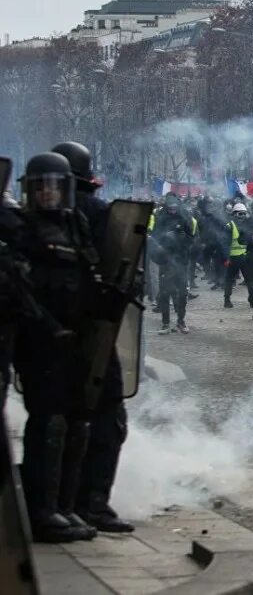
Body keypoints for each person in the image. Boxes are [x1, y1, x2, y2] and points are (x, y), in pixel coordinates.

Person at [13, 152, 99, 542]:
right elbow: (18, 288)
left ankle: (66, 505)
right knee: (47, 423)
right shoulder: (21, 228)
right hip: (41, 341)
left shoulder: (75, 224)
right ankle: (41, 510)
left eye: (55, 185)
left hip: (76, 339)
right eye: (41, 186)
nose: (48, 193)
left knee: (76, 421)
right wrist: (47, 328)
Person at [50, 141, 135, 534]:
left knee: (54, 421)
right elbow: (123, 272)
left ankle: (56, 502)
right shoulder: (99, 213)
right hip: (93, 333)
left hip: (45, 338)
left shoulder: (27, 219)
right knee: (106, 418)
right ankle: (92, 502)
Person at [150, 192, 196, 335]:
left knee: (182, 292)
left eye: (174, 207)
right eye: (170, 208)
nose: (172, 210)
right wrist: (165, 236)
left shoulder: (185, 217)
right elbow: (154, 237)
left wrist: (182, 238)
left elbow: (192, 238)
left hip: (181, 259)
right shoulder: (160, 217)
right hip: (166, 259)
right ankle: (165, 323)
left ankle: (181, 321)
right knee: (165, 292)